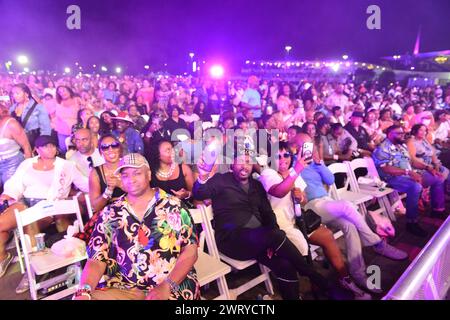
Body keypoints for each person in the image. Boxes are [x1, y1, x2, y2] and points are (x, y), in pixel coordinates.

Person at [193, 147, 348, 300]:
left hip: (260, 239)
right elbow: (200, 193)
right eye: (239, 161)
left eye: (248, 162)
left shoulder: (257, 186)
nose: (244, 165)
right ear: (232, 164)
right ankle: (314, 276)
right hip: (232, 240)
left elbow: (268, 214)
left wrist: (272, 242)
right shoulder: (221, 180)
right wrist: (203, 174)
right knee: (273, 235)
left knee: (285, 264)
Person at [73, 153, 200, 300]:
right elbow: (96, 259)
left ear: (149, 175)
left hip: (172, 284)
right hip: (123, 287)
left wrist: (167, 286)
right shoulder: (110, 212)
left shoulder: (174, 206)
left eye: (137, 173)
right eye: (125, 175)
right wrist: (84, 290)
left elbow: (190, 251)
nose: (131, 179)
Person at [295, 133, 408, 293]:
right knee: (348, 206)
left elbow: (330, 181)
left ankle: (358, 273)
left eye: (309, 145)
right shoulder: (292, 163)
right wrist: (298, 164)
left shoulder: (314, 164)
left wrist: (319, 163)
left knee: (350, 226)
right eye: (304, 145)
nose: (307, 149)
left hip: (327, 201)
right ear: (296, 147)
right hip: (311, 207)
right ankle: (376, 242)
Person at [259, 142, 371, 300]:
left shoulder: (294, 174)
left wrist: (300, 197)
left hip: (298, 221)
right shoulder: (268, 174)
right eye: (278, 156)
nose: (283, 159)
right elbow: (278, 192)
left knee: (327, 236)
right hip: (279, 226)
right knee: (297, 255)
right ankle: (307, 288)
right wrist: (296, 169)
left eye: (286, 155)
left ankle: (345, 279)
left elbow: (303, 201)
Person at [0, 135, 88, 293]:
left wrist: (100, 184)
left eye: (53, 146)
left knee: (30, 225)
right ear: (37, 149)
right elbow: (15, 183)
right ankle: (3, 257)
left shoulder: (66, 165)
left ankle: (31, 271)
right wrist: (9, 194)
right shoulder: (27, 163)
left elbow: (85, 183)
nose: (51, 149)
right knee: (1, 224)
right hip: (24, 202)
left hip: (47, 206)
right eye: (46, 146)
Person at [372, 125, 428, 237]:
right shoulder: (382, 148)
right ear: (389, 134)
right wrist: (409, 172)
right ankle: (412, 222)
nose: (402, 135)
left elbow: (412, 162)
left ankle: (437, 209)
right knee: (415, 187)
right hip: (389, 178)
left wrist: (427, 167)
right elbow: (386, 169)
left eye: (402, 133)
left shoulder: (402, 146)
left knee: (434, 177)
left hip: (405, 174)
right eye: (398, 133)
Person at [406, 124, 449, 219]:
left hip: (430, 165)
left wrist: (437, 164)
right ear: (415, 131)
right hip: (419, 168)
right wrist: (428, 167)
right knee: (438, 178)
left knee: (446, 172)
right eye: (421, 130)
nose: (423, 132)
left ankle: (442, 198)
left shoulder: (425, 140)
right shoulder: (411, 141)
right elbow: (412, 159)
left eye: (425, 130)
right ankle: (437, 210)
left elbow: (433, 153)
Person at [0, 103, 32, 188]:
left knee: (12, 192)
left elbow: (26, 147)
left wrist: (28, 169)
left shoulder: (11, 124)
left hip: (12, 163)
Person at [9, 83, 51, 148]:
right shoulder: (12, 108)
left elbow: (46, 130)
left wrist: (41, 145)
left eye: (17, 93)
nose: (14, 96)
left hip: (33, 143)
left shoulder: (38, 108)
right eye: (13, 93)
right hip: (15, 144)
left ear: (26, 94)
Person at [54, 85, 82, 153]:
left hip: (76, 131)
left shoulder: (77, 100)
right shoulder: (58, 103)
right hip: (62, 132)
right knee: (64, 150)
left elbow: (86, 111)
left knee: (77, 151)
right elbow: (53, 116)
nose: (62, 93)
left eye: (63, 90)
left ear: (69, 90)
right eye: (59, 92)